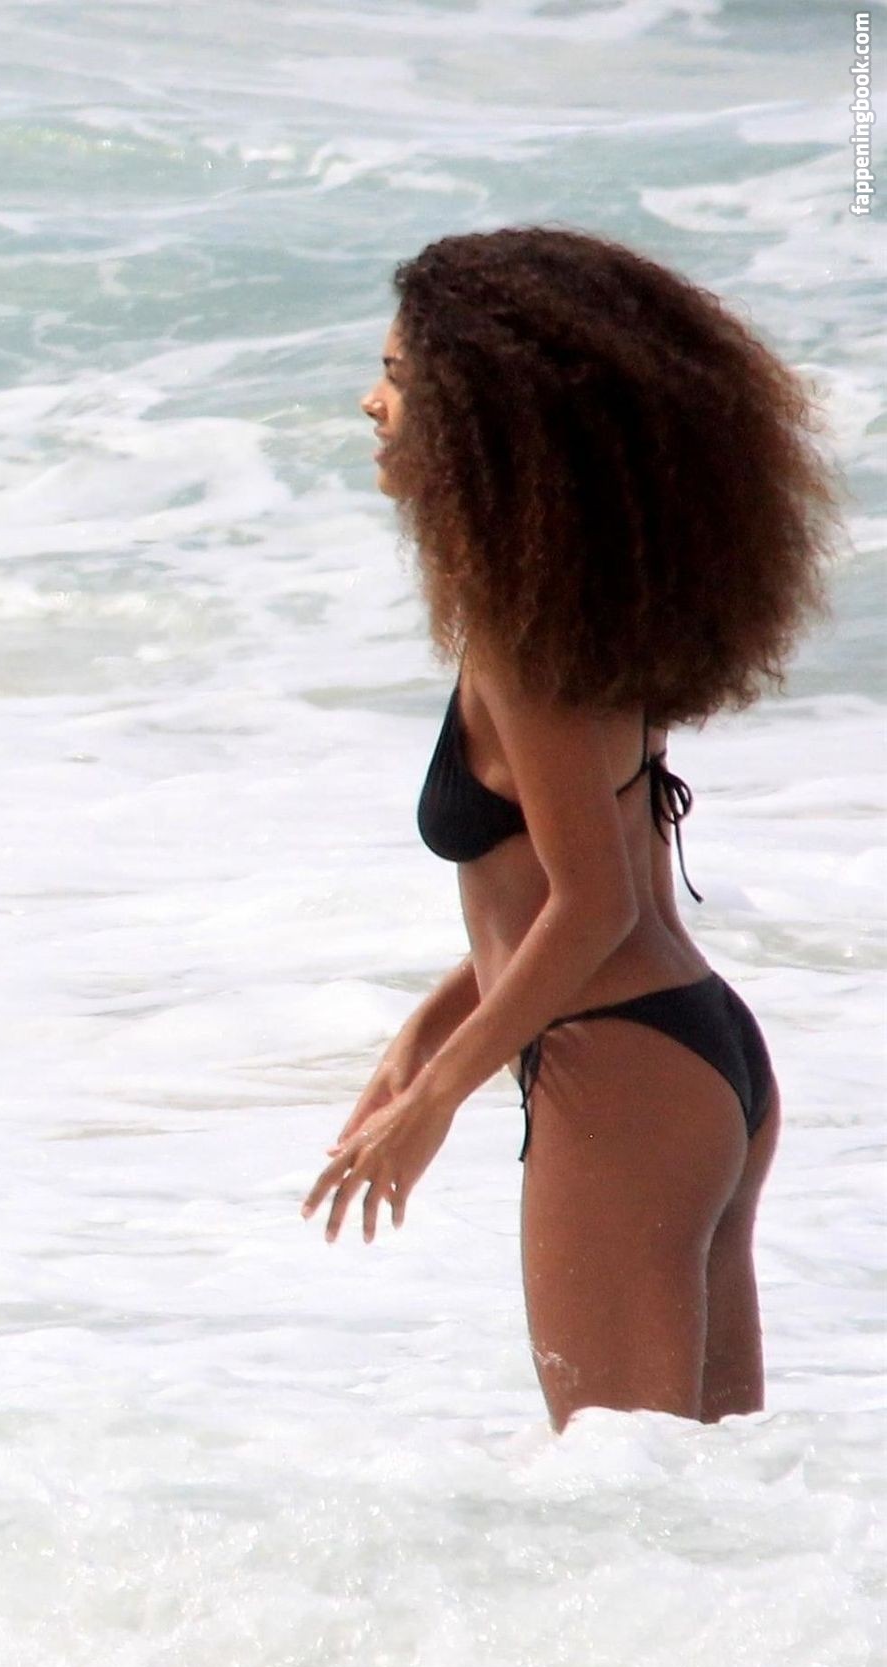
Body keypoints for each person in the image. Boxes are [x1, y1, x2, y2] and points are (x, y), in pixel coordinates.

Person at [300, 226, 843, 1431]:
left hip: (622, 1070)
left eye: (399, 377)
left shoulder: (518, 639)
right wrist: (425, 1029)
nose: (372, 402)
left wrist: (438, 1098)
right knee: (704, 1493)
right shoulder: (586, 618)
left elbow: (591, 906)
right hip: (701, 1053)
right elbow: (587, 892)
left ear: (485, 421)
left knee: (622, 1488)